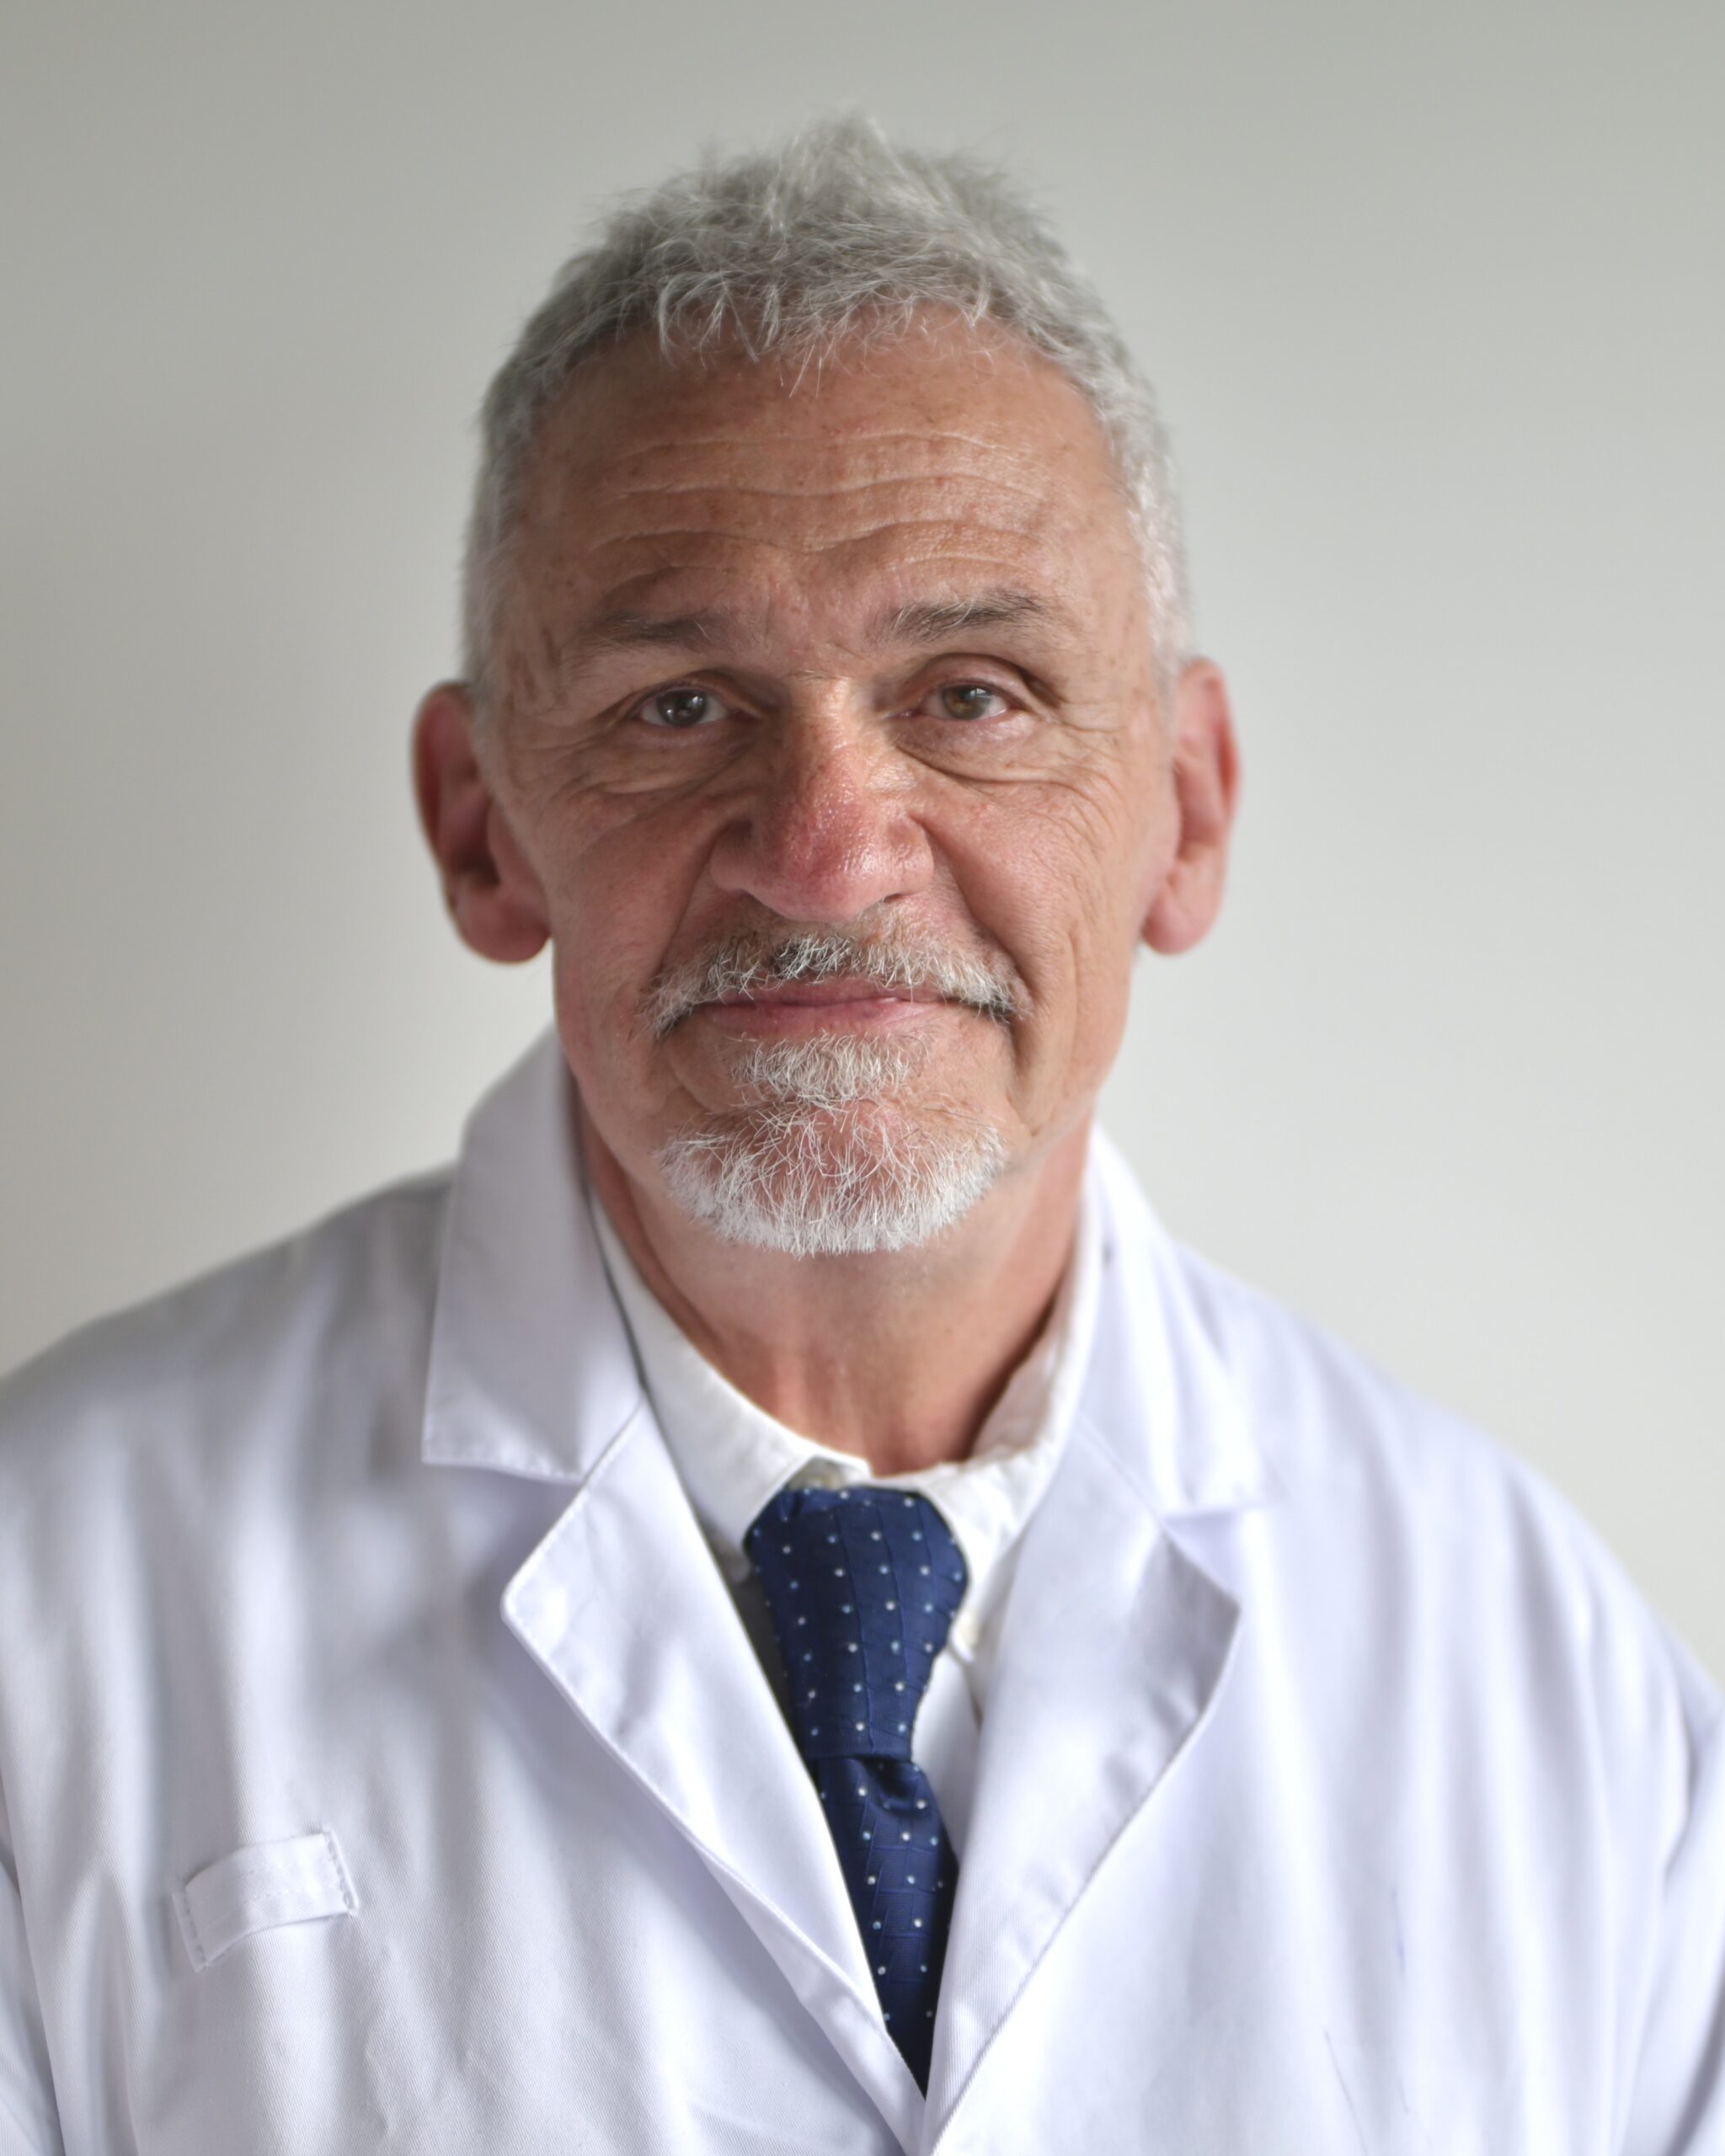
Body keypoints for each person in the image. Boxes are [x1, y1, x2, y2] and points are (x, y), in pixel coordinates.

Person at [0, 116, 1719, 2155]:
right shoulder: (54, 1590)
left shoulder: (1545, 1678)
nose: (826, 854)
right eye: (677, 706)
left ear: (1184, 807)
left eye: (973, 694)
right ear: (481, 825)